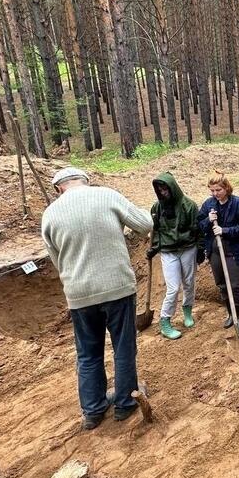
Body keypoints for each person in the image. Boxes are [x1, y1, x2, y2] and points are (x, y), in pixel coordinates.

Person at [40, 167, 152, 430]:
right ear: (86, 182)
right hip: (117, 288)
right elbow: (145, 225)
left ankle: (92, 411)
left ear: (59, 188)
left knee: (88, 354)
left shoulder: (50, 214)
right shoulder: (106, 195)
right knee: (123, 348)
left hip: (79, 294)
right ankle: (124, 404)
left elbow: (57, 260)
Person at [148, 172, 201, 340]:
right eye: (160, 189)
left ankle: (187, 311)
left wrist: (200, 250)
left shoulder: (189, 206)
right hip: (168, 252)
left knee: (189, 283)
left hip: (187, 249)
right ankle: (165, 321)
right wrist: (155, 248)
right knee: (173, 288)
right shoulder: (157, 208)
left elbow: (197, 230)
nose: (163, 192)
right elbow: (155, 231)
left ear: (173, 187)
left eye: (165, 188)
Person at [197, 171, 239, 334]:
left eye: (218, 190)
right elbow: (199, 225)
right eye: (212, 191)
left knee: (234, 285)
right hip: (215, 252)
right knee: (222, 285)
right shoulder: (209, 204)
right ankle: (230, 313)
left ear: (226, 188)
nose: (215, 194)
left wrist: (224, 230)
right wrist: (208, 219)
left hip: (235, 252)